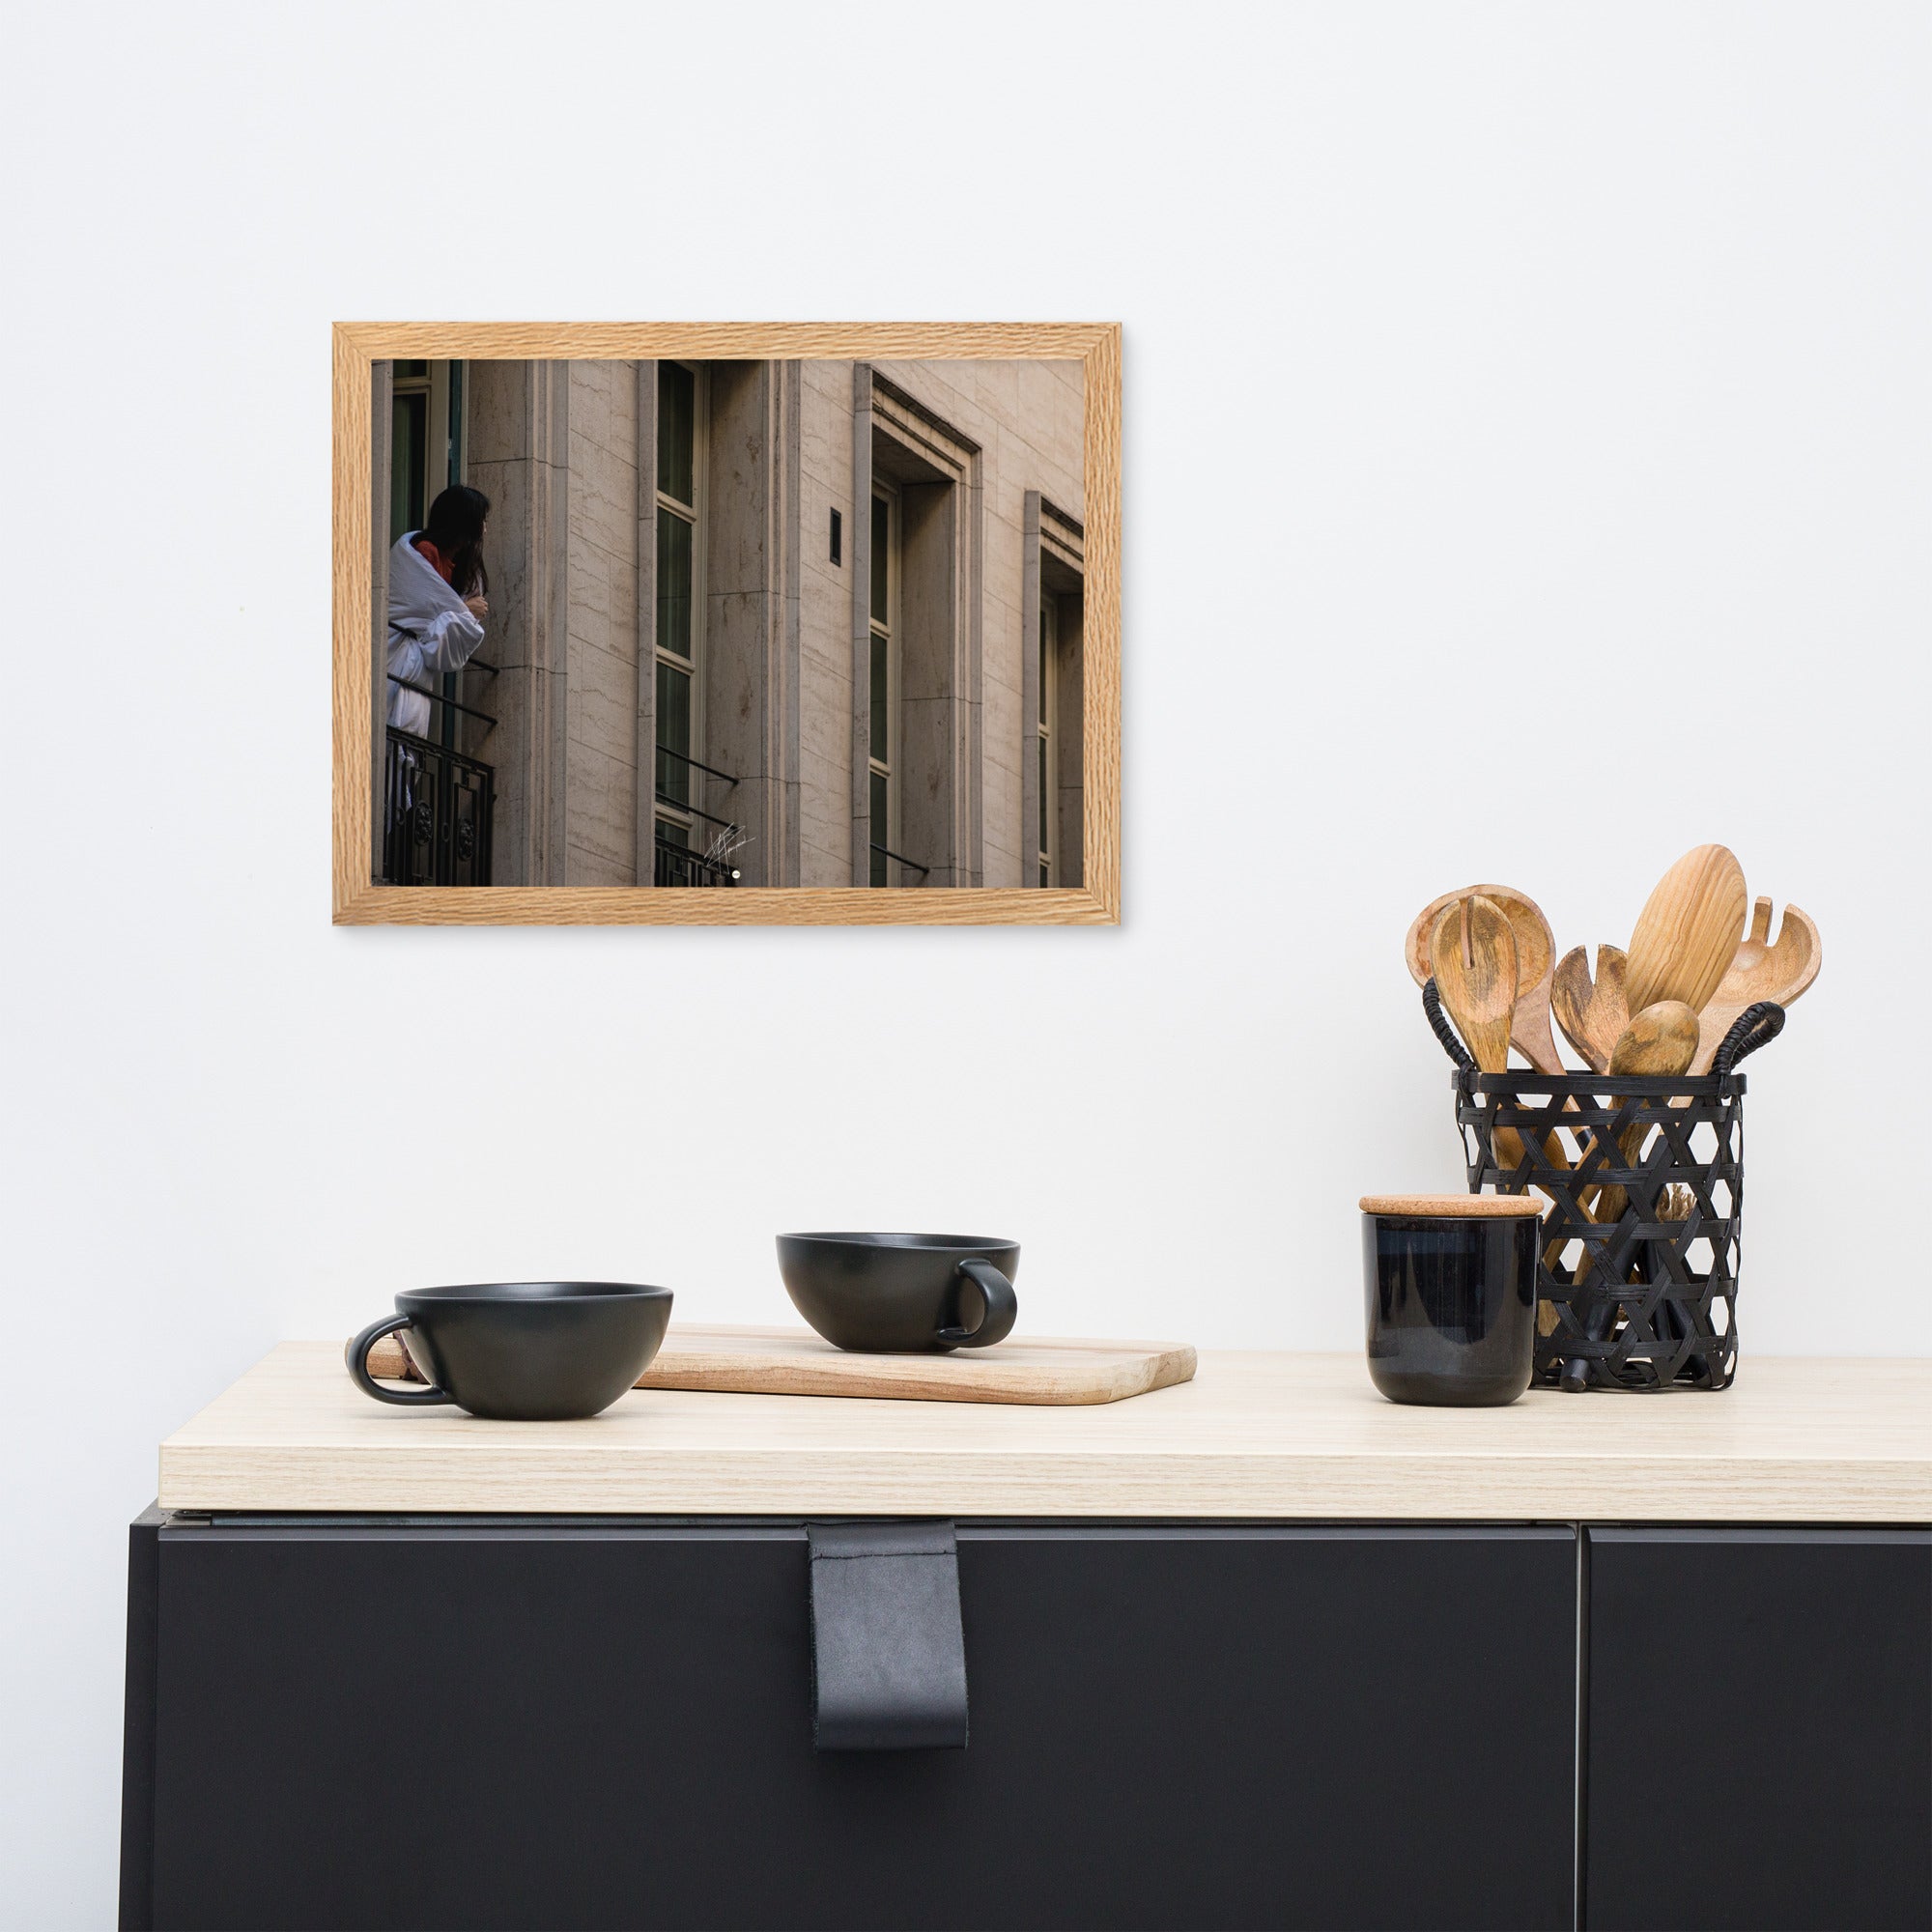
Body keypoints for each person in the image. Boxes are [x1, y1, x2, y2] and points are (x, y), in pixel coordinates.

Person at [386, 484, 491, 737]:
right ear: (465, 521)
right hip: (398, 654)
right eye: (482, 520)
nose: (485, 528)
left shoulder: (456, 564)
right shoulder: (426, 551)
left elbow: (439, 615)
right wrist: (465, 611)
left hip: (418, 667)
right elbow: (422, 607)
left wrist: (459, 613)